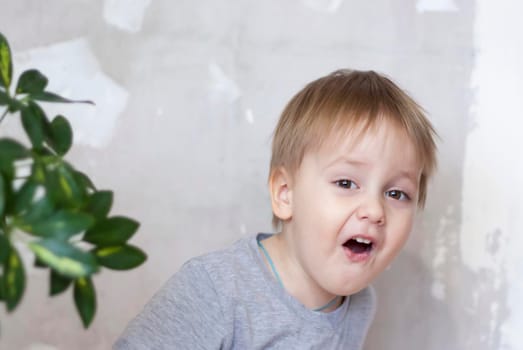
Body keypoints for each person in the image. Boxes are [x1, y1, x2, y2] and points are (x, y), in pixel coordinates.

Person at [113, 69, 437, 349]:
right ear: (285, 194)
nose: (375, 210)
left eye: (396, 193)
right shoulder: (216, 289)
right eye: (346, 183)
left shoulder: (360, 305)